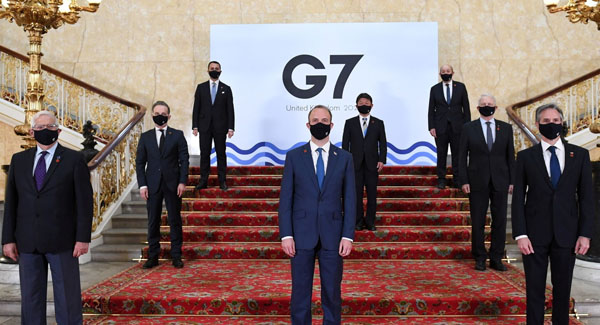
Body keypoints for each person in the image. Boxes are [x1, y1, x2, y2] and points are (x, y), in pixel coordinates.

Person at [2, 110, 93, 324]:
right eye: (40, 128)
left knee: (67, 298)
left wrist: (83, 238)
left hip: (63, 242)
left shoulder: (74, 159)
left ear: (58, 130)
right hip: (27, 241)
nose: (46, 131)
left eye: (50, 126)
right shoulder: (19, 160)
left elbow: (84, 202)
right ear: (32, 132)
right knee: (31, 299)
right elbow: (11, 203)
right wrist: (7, 239)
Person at [512, 103, 594, 324]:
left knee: (562, 292)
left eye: (556, 121)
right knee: (535, 292)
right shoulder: (526, 157)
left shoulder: (580, 155)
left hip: (567, 235)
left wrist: (585, 234)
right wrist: (520, 234)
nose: (552, 125)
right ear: (538, 124)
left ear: (562, 123)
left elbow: (587, 198)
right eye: (546, 121)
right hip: (533, 236)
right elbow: (518, 198)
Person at [278, 105, 356, 325]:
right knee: (300, 293)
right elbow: (286, 199)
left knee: (332, 292)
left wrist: (348, 235)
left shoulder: (344, 158)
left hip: (333, 235)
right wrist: (286, 235)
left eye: (324, 120)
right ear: (307, 125)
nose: (319, 124)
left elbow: (350, 199)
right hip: (301, 235)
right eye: (315, 120)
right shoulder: (294, 157)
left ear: (331, 125)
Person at [458, 94, 514, 271]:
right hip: (476, 181)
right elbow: (461, 157)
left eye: (490, 104)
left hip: (500, 181)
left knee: (499, 220)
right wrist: (463, 180)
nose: (487, 106)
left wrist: (512, 181)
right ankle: (480, 257)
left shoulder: (506, 128)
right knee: (478, 220)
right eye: (483, 104)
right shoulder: (468, 128)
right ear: (478, 108)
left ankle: (496, 257)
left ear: (496, 108)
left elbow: (510, 157)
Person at [136, 101, 189, 269]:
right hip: (152, 185)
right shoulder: (145, 137)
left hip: (173, 185)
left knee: (174, 220)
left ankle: (176, 255)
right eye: (157, 113)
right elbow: (139, 163)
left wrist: (182, 181)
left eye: (163, 114)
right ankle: (153, 256)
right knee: (153, 221)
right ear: (152, 115)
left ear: (169, 116)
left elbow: (184, 160)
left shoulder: (178, 135)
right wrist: (142, 185)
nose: (160, 116)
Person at [342, 93, 387, 231]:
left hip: (372, 164)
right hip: (355, 165)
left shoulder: (378, 123)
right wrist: (346, 162)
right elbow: (345, 145)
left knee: (372, 194)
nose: (364, 105)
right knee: (356, 195)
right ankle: (358, 221)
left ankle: (370, 222)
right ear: (356, 106)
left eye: (367, 103)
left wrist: (382, 160)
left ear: (372, 105)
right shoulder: (349, 123)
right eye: (361, 103)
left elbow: (383, 143)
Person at [192, 60, 235, 191]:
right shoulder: (201, 87)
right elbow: (196, 108)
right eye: (212, 68)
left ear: (220, 71)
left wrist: (231, 128)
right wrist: (195, 126)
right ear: (208, 70)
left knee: (221, 154)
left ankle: (222, 181)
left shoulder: (226, 89)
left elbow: (230, 110)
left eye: (217, 68)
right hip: (204, 127)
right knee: (204, 154)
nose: (214, 70)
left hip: (220, 127)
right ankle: (203, 181)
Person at [428, 64, 471, 189]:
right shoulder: (434, 89)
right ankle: (441, 179)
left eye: (448, 71)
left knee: (458, 154)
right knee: (441, 154)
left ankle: (457, 179)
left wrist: (467, 126)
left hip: (458, 127)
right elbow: (431, 109)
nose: (445, 72)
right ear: (440, 74)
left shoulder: (461, 87)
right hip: (440, 127)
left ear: (453, 72)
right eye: (443, 71)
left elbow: (466, 108)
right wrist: (431, 126)